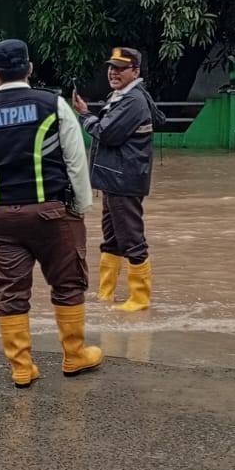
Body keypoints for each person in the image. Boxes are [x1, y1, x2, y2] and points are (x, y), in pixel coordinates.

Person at [0, 39, 102, 386]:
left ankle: (21, 367)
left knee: (9, 292)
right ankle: (74, 356)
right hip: (53, 213)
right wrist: (81, 206)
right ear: (30, 69)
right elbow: (75, 160)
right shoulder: (53, 105)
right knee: (68, 283)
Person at [70, 46, 164, 312]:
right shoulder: (122, 96)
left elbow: (106, 132)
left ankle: (140, 299)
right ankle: (106, 294)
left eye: (120, 69)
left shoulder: (133, 101)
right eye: (111, 68)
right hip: (115, 180)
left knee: (131, 238)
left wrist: (85, 115)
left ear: (135, 71)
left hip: (124, 181)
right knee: (112, 238)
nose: (113, 73)